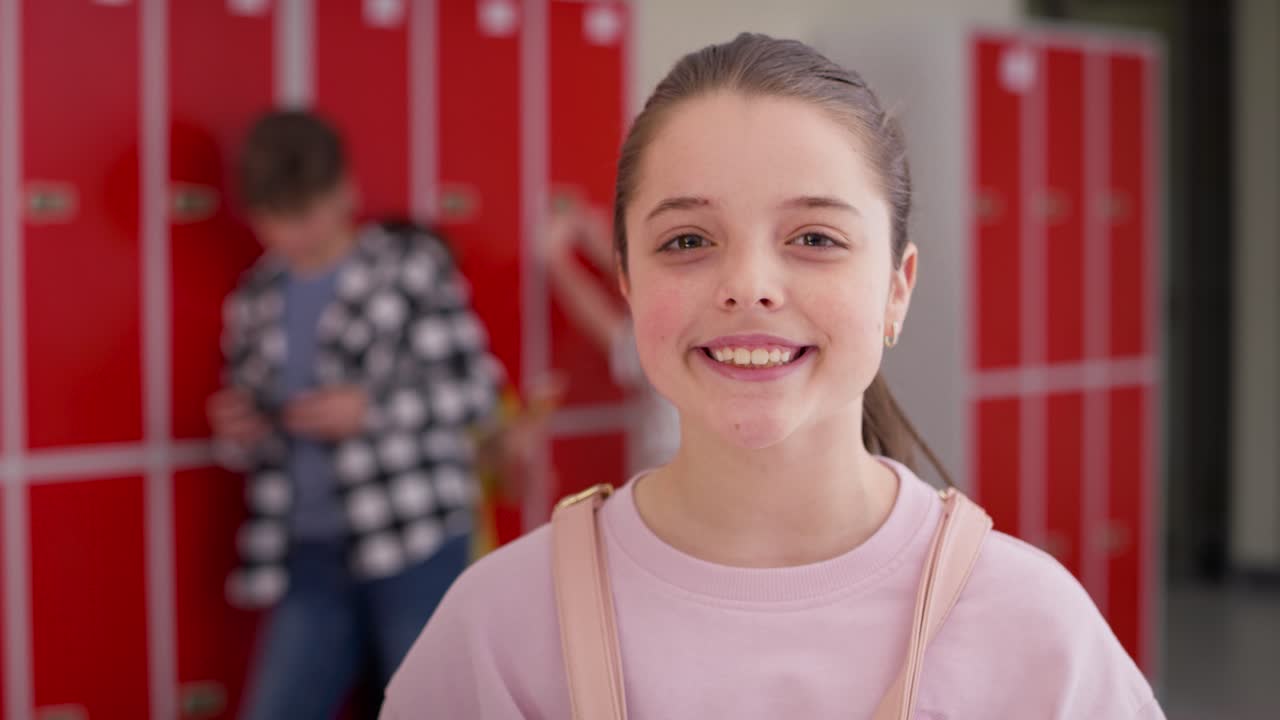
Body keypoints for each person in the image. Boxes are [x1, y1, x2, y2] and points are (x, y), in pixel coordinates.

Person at [379, 34, 1165, 718]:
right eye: (687, 241)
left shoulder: (1034, 628)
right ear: (627, 281)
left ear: (898, 289)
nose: (749, 284)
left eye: (815, 237)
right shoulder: (499, 627)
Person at [206, 110, 501, 719]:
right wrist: (241, 430)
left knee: (429, 708)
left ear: (344, 191)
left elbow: (476, 391)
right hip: (310, 546)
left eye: (305, 213)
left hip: (413, 536)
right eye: (275, 220)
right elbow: (259, 432)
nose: (293, 235)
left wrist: (371, 411)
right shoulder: (258, 297)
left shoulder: (407, 269)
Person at [544, 205, 680, 474]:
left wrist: (555, 260)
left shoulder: (670, 349)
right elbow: (655, 298)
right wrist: (599, 246)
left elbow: (613, 332)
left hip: (670, 483)